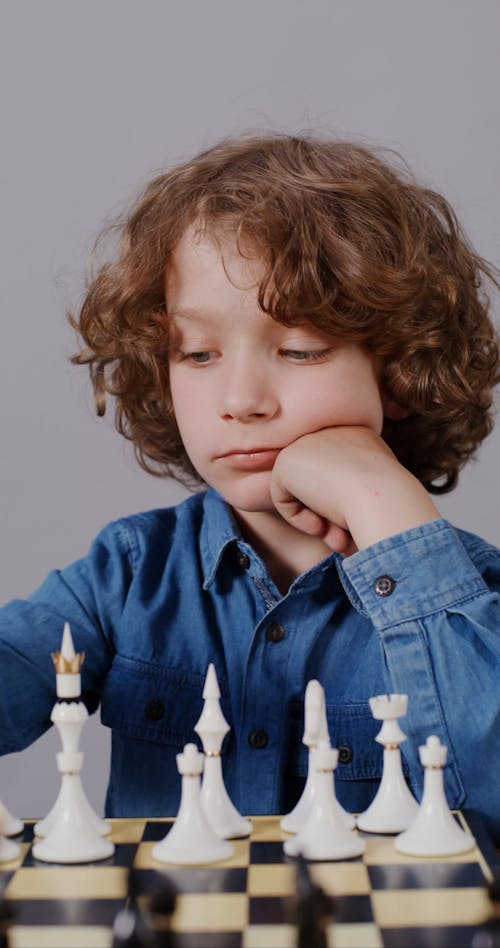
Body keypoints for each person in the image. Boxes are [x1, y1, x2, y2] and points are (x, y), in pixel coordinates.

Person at [1, 134, 499, 839]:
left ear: (400, 371)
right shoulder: (127, 575)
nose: (240, 399)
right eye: (197, 353)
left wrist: (391, 513)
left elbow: (491, 799)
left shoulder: (473, 597)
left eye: (298, 349)